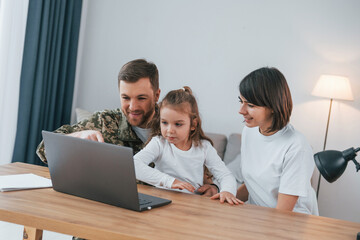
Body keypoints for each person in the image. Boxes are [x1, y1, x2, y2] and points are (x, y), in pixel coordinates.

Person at [36, 59, 218, 197]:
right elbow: (44, 150)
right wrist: (79, 135)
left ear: (156, 95)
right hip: (107, 209)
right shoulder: (105, 121)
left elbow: (204, 169)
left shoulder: (174, 122)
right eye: (125, 98)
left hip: (160, 216)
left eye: (141, 98)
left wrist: (213, 187)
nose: (132, 107)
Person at [134, 86, 242, 205]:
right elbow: (134, 165)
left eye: (178, 124)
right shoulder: (159, 143)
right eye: (164, 122)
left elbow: (225, 174)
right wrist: (170, 181)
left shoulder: (204, 148)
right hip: (161, 202)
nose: (169, 130)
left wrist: (227, 191)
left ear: (193, 124)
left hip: (191, 205)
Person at [236, 67, 319, 215]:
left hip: (289, 223)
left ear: (273, 106)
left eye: (250, 105)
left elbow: (282, 213)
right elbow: (253, 183)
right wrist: (226, 196)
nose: (241, 110)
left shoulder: (296, 146)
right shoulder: (249, 131)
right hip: (259, 217)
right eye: (241, 101)